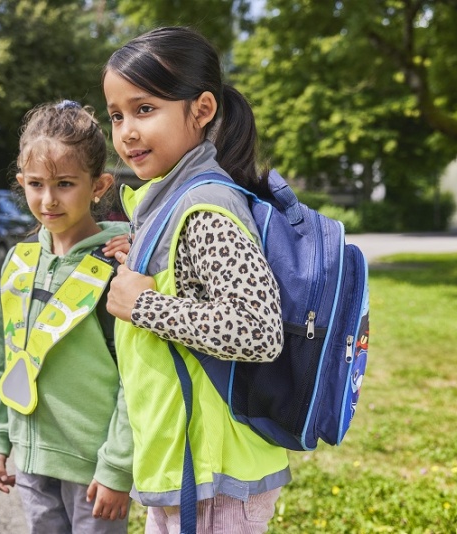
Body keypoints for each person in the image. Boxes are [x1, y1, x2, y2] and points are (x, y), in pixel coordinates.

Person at [102, 27, 290, 533]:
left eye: (144, 110)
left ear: (202, 109)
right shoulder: (169, 200)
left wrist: (145, 306)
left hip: (214, 478)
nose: (126, 131)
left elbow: (257, 329)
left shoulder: (206, 206)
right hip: (187, 465)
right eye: (116, 115)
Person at [0, 100, 134, 534]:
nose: (48, 200)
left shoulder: (116, 266)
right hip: (31, 457)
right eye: (35, 184)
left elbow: (134, 377)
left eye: (65, 183)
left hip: (95, 467)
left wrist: (117, 467)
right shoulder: (18, 260)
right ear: (21, 183)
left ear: (99, 185)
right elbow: (3, 355)